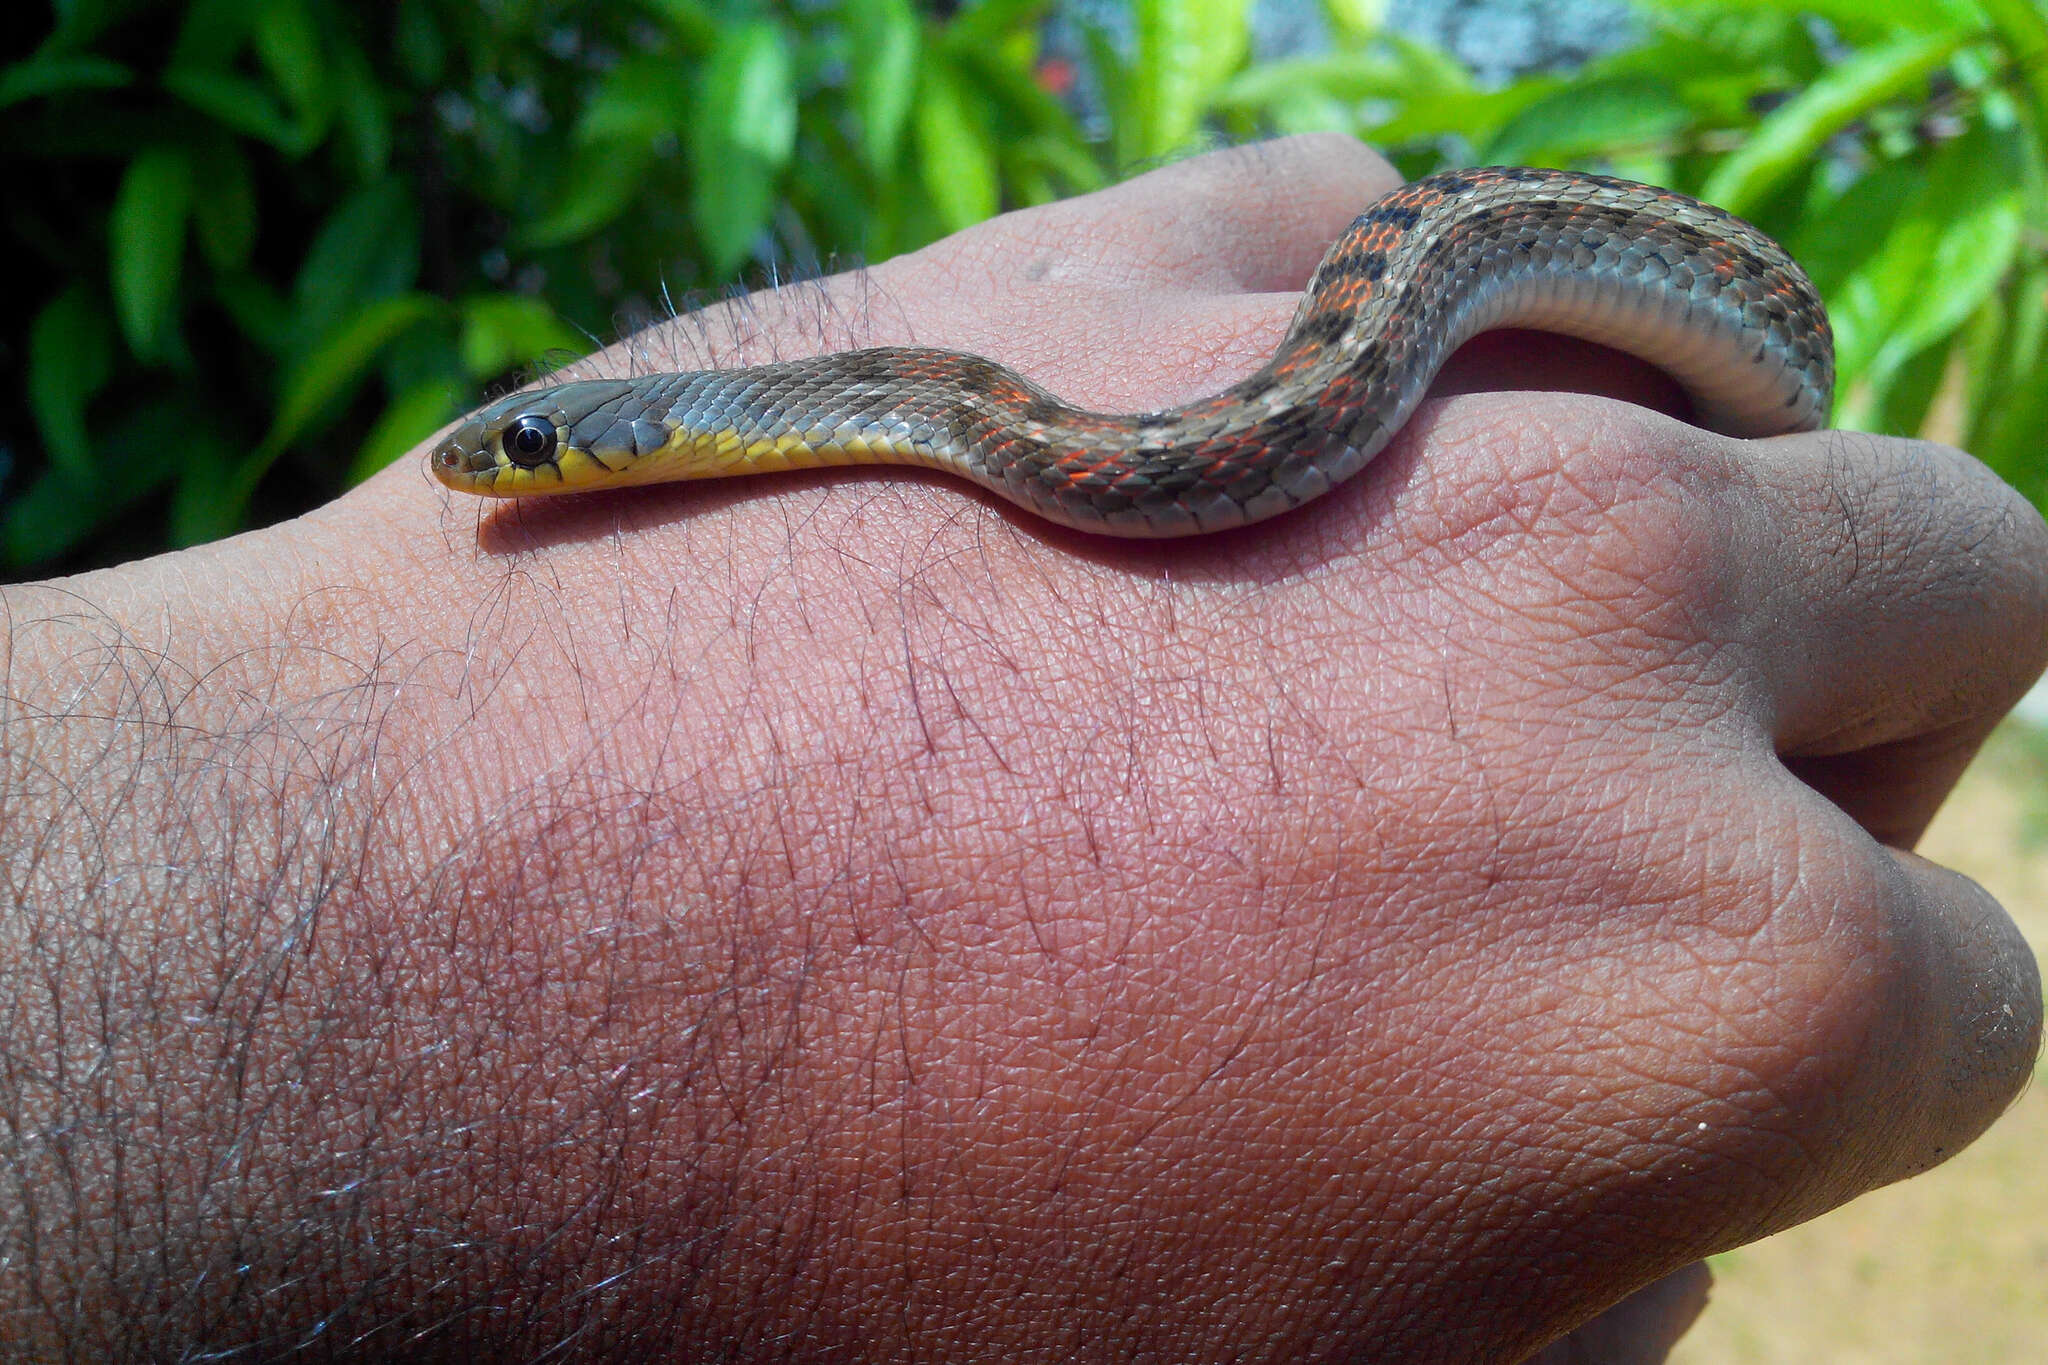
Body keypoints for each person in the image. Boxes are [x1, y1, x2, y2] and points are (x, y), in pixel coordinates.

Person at [1, 134, 2039, 1363]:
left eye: (529, 446)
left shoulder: (983, 413)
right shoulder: (923, 415)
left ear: (658, 426)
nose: (497, 477)